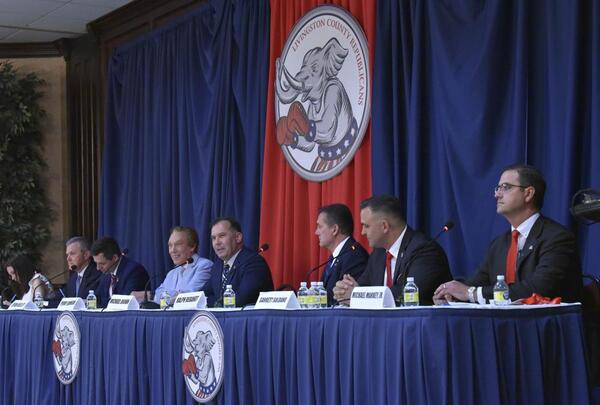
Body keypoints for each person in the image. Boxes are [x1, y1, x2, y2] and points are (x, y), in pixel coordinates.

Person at [433, 164, 582, 304]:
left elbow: (540, 288)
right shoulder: (499, 245)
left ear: (528, 193)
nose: (497, 195)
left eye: (505, 187)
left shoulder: (557, 238)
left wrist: (471, 293)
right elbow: (475, 283)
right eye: (497, 188)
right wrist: (451, 294)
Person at [333, 195, 452, 306]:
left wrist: (356, 296)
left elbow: (407, 295)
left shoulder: (424, 250)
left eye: (366, 226)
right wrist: (344, 290)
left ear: (384, 226)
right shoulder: (378, 254)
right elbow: (362, 287)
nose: (362, 232)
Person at [203, 217, 274, 307]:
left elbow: (242, 298)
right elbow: (203, 296)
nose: (217, 242)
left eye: (222, 236)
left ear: (238, 237)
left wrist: (213, 303)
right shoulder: (217, 266)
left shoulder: (254, 262)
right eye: (213, 238)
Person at [131, 226, 212, 304]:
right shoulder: (172, 272)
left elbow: (187, 296)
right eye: (170, 245)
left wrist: (151, 295)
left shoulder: (204, 266)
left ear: (192, 246)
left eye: (178, 244)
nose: (172, 250)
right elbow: (159, 292)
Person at [315, 203, 369, 305]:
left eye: (319, 226)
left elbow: (342, 298)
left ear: (334, 229)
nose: (316, 232)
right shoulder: (336, 256)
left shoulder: (355, 257)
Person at [92, 237, 149, 307]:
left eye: (102, 264)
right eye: (96, 263)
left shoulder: (134, 271)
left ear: (115, 258)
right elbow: (97, 299)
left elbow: (124, 301)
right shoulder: (106, 273)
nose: (98, 268)